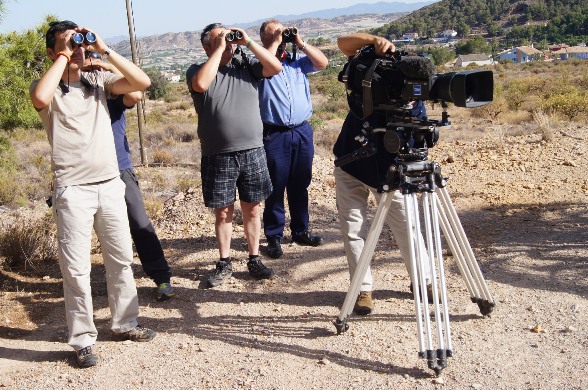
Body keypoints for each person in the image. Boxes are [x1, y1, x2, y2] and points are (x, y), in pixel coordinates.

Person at [30, 20, 156, 369]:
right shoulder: (49, 88)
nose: (76, 49)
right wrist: (64, 56)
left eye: (78, 43)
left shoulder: (99, 80)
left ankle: (125, 323)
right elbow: (39, 97)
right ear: (50, 51)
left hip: (109, 183)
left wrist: (103, 50)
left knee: (120, 260)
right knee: (76, 269)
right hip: (72, 190)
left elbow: (141, 84)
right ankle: (83, 339)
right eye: (66, 43)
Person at [334, 33, 432, 316]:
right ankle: (362, 289)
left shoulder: (413, 102)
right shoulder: (373, 72)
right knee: (353, 229)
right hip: (351, 160)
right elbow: (343, 42)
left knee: (407, 225)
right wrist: (375, 40)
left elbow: (420, 138)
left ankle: (423, 281)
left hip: (387, 169)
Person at [186, 23, 282, 288]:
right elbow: (202, 84)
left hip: (253, 150)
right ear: (207, 46)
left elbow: (275, 67)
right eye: (220, 39)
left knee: (253, 209)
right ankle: (224, 261)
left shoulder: (247, 67)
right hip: (219, 154)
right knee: (223, 212)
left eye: (229, 38)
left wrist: (248, 42)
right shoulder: (197, 70)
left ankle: (253, 257)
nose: (228, 43)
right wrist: (219, 50)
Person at [83, 52, 174, 301]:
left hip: (119, 168)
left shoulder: (111, 90)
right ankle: (89, 287)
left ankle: (161, 277)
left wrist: (107, 64)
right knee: (88, 233)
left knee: (139, 223)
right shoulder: (73, 91)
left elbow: (135, 93)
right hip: (83, 173)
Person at [257, 19, 328, 259]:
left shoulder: (296, 62)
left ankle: (300, 230)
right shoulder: (260, 65)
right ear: (264, 39)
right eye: (275, 33)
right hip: (275, 132)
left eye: (282, 31)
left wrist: (301, 42)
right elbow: (264, 62)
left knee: (300, 183)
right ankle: (274, 237)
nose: (281, 35)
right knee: (275, 187)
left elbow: (322, 63)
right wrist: (275, 42)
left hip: (301, 130)